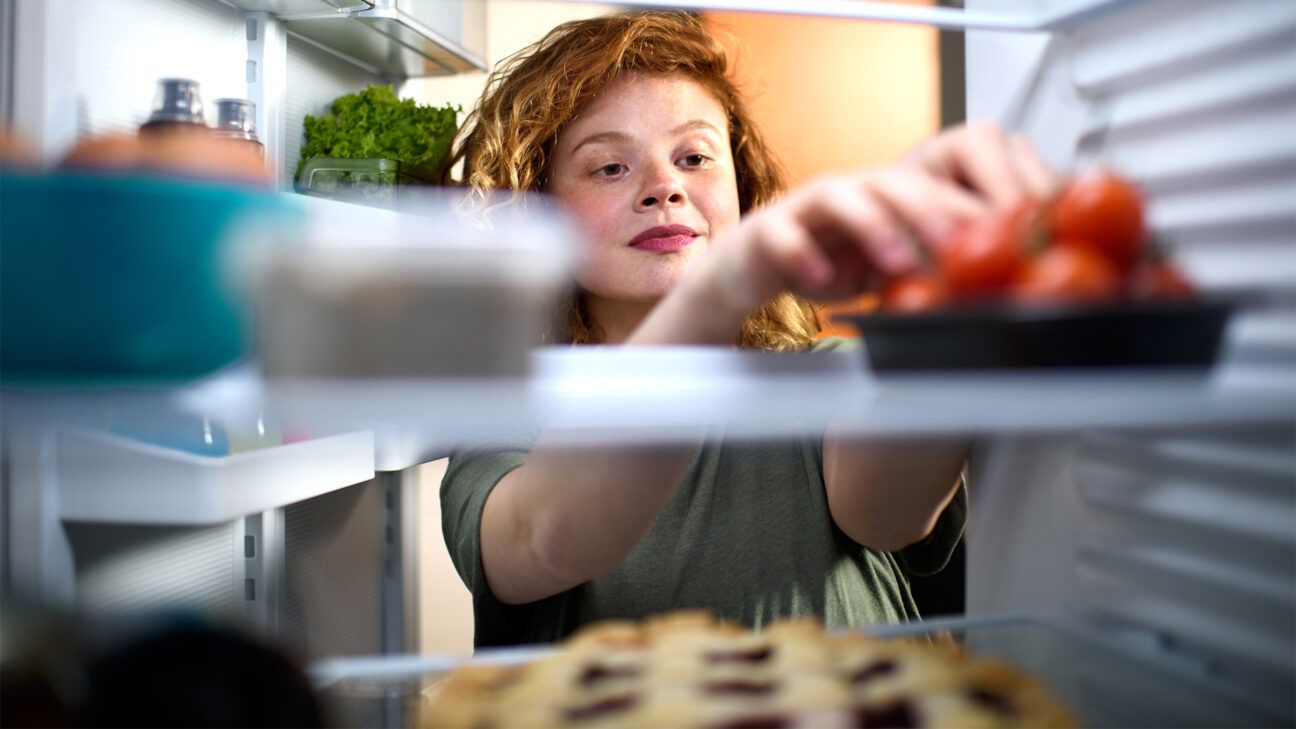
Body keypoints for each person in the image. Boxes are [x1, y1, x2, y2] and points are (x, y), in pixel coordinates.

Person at [440, 10, 1055, 647]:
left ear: (743, 188)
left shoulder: (824, 371)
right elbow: (538, 542)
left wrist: (946, 274)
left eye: (694, 156)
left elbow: (886, 516)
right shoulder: (511, 406)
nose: (665, 187)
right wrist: (725, 285)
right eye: (609, 168)